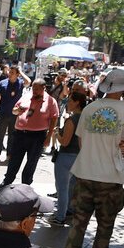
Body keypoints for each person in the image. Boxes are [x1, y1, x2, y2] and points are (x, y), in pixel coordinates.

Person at [59, 67, 124, 248]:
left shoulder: (89, 108)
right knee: (105, 226)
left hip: (84, 172)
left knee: (78, 224)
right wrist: (117, 144)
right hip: (110, 177)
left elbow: (82, 142)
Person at [0, 79, 59, 187]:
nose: (35, 91)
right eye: (33, 88)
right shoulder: (26, 96)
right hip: (20, 133)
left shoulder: (50, 101)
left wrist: (48, 137)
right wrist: (17, 110)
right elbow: (14, 110)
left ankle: (26, 184)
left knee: (31, 162)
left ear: (44, 88)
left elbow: (54, 118)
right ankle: (7, 181)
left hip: (37, 136)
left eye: (37, 89)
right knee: (14, 159)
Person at [48, 92, 87, 226]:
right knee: (71, 186)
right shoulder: (86, 119)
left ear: (77, 102)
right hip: (79, 157)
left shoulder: (72, 120)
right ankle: (69, 211)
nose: (67, 103)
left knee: (62, 188)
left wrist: (57, 133)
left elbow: (65, 142)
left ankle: (60, 217)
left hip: (66, 157)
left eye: (70, 100)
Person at [0, 65, 31, 163]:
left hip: (15, 114)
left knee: (12, 136)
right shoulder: (2, 83)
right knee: (0, 135)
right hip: (3, 113)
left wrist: (20, 72)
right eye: (9, 72)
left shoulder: (20, 83)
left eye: (12, 72)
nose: (10, 74)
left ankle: (9, 156)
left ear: (17, 74)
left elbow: (28, 82)